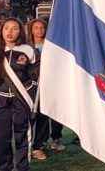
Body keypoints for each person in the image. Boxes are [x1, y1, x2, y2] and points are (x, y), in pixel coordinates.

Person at [0, 18, 37, 171]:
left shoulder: (29, 50)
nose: (10, 32)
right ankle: (4, 168)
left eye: (14, 28)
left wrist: (32, 95)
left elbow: (38, 75)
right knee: (1, 139)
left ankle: (22, 168)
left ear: (20, 31)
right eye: (7, 28)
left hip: (22, 101)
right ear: (2, 31)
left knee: (22, 137)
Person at [27, 19, 66, 160]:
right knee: (32, 117)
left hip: (51, 84)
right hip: (31, 87)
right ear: (31, 29)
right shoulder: (26, 47)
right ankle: (31, 146)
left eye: (42, 27)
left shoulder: (51, 45)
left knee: (46, 114)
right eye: (36, 28)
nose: (39, 30)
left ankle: (42, 144)